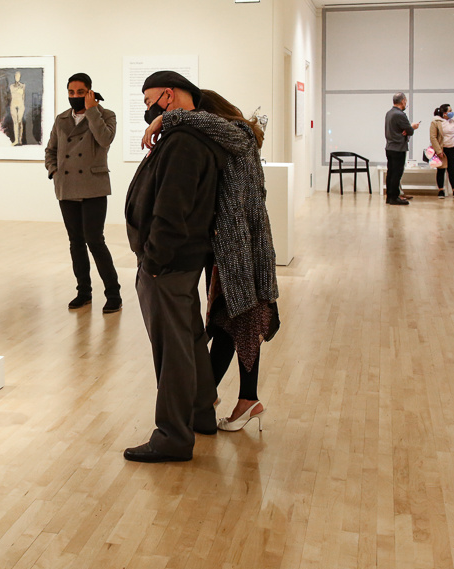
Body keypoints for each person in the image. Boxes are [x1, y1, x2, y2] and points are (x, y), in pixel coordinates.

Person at [142, 89, 280, 433]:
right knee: (231, 322)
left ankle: (230, 398)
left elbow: (205, 121)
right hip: (235, 246)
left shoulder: (238, 134)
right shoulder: (238, 139)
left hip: (241, 248)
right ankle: (217, 396)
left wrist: (167, 117)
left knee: (236, 322)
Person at [122, 71, 225, 463]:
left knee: (172, 350)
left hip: (167, 264)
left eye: (150, 100)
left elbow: (172, 208)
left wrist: (153, 261)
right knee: (189, 339)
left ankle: (173, 435)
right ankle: (200, 414)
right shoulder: (191, 137)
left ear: (168, 95)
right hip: (181, 261)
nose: (147, 108)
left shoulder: (184, 141)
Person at [44, 73, 122, 313]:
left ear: (89, 91)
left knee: (95, 240)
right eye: (71, 92)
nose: (74, 97)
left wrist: (91, 110)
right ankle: (83, 292)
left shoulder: (106, 115)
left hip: (93, 186)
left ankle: (113, 294)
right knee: (76, 242)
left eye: (80, 92)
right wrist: (54, 171)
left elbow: (105, 139)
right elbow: (51, 150)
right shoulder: (61, 119)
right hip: (66, 187)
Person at [384, 93, 419, 205]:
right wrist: (412, 127)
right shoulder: (400, 114)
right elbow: (410, 131)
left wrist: (405, 130)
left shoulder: (389, 113)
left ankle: (389, 197)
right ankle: (394, 197)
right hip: (398, 148)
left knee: (391, 172)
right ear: (403, 101)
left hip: (390, 147)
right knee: (396, 174)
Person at [429, 104, 454, 198]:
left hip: (452, 148)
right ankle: (441, 190)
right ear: (444, 113)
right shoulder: (436, 122)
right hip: (442, 149)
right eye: (450, 110)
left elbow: (453, 133)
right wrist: (438, 150)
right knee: (441, 170)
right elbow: (433, 137)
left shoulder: (452, 122)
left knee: (452, 170)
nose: (452, 112)